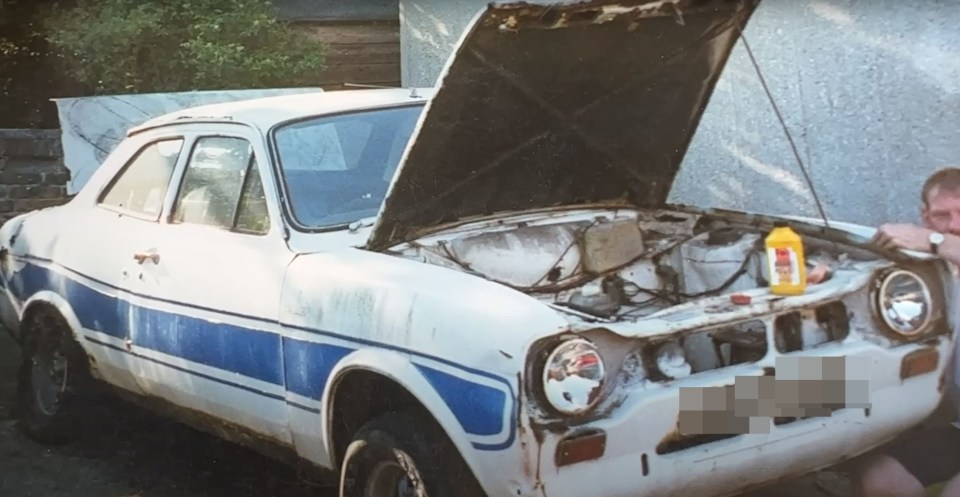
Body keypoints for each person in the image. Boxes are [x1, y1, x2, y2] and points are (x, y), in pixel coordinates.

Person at [853, 166, 960, 497]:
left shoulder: (937, 243)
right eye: (943, 216)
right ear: (925, 217)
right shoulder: (929, 271)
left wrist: (934, 240)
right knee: (880, 481)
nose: (954, 225)